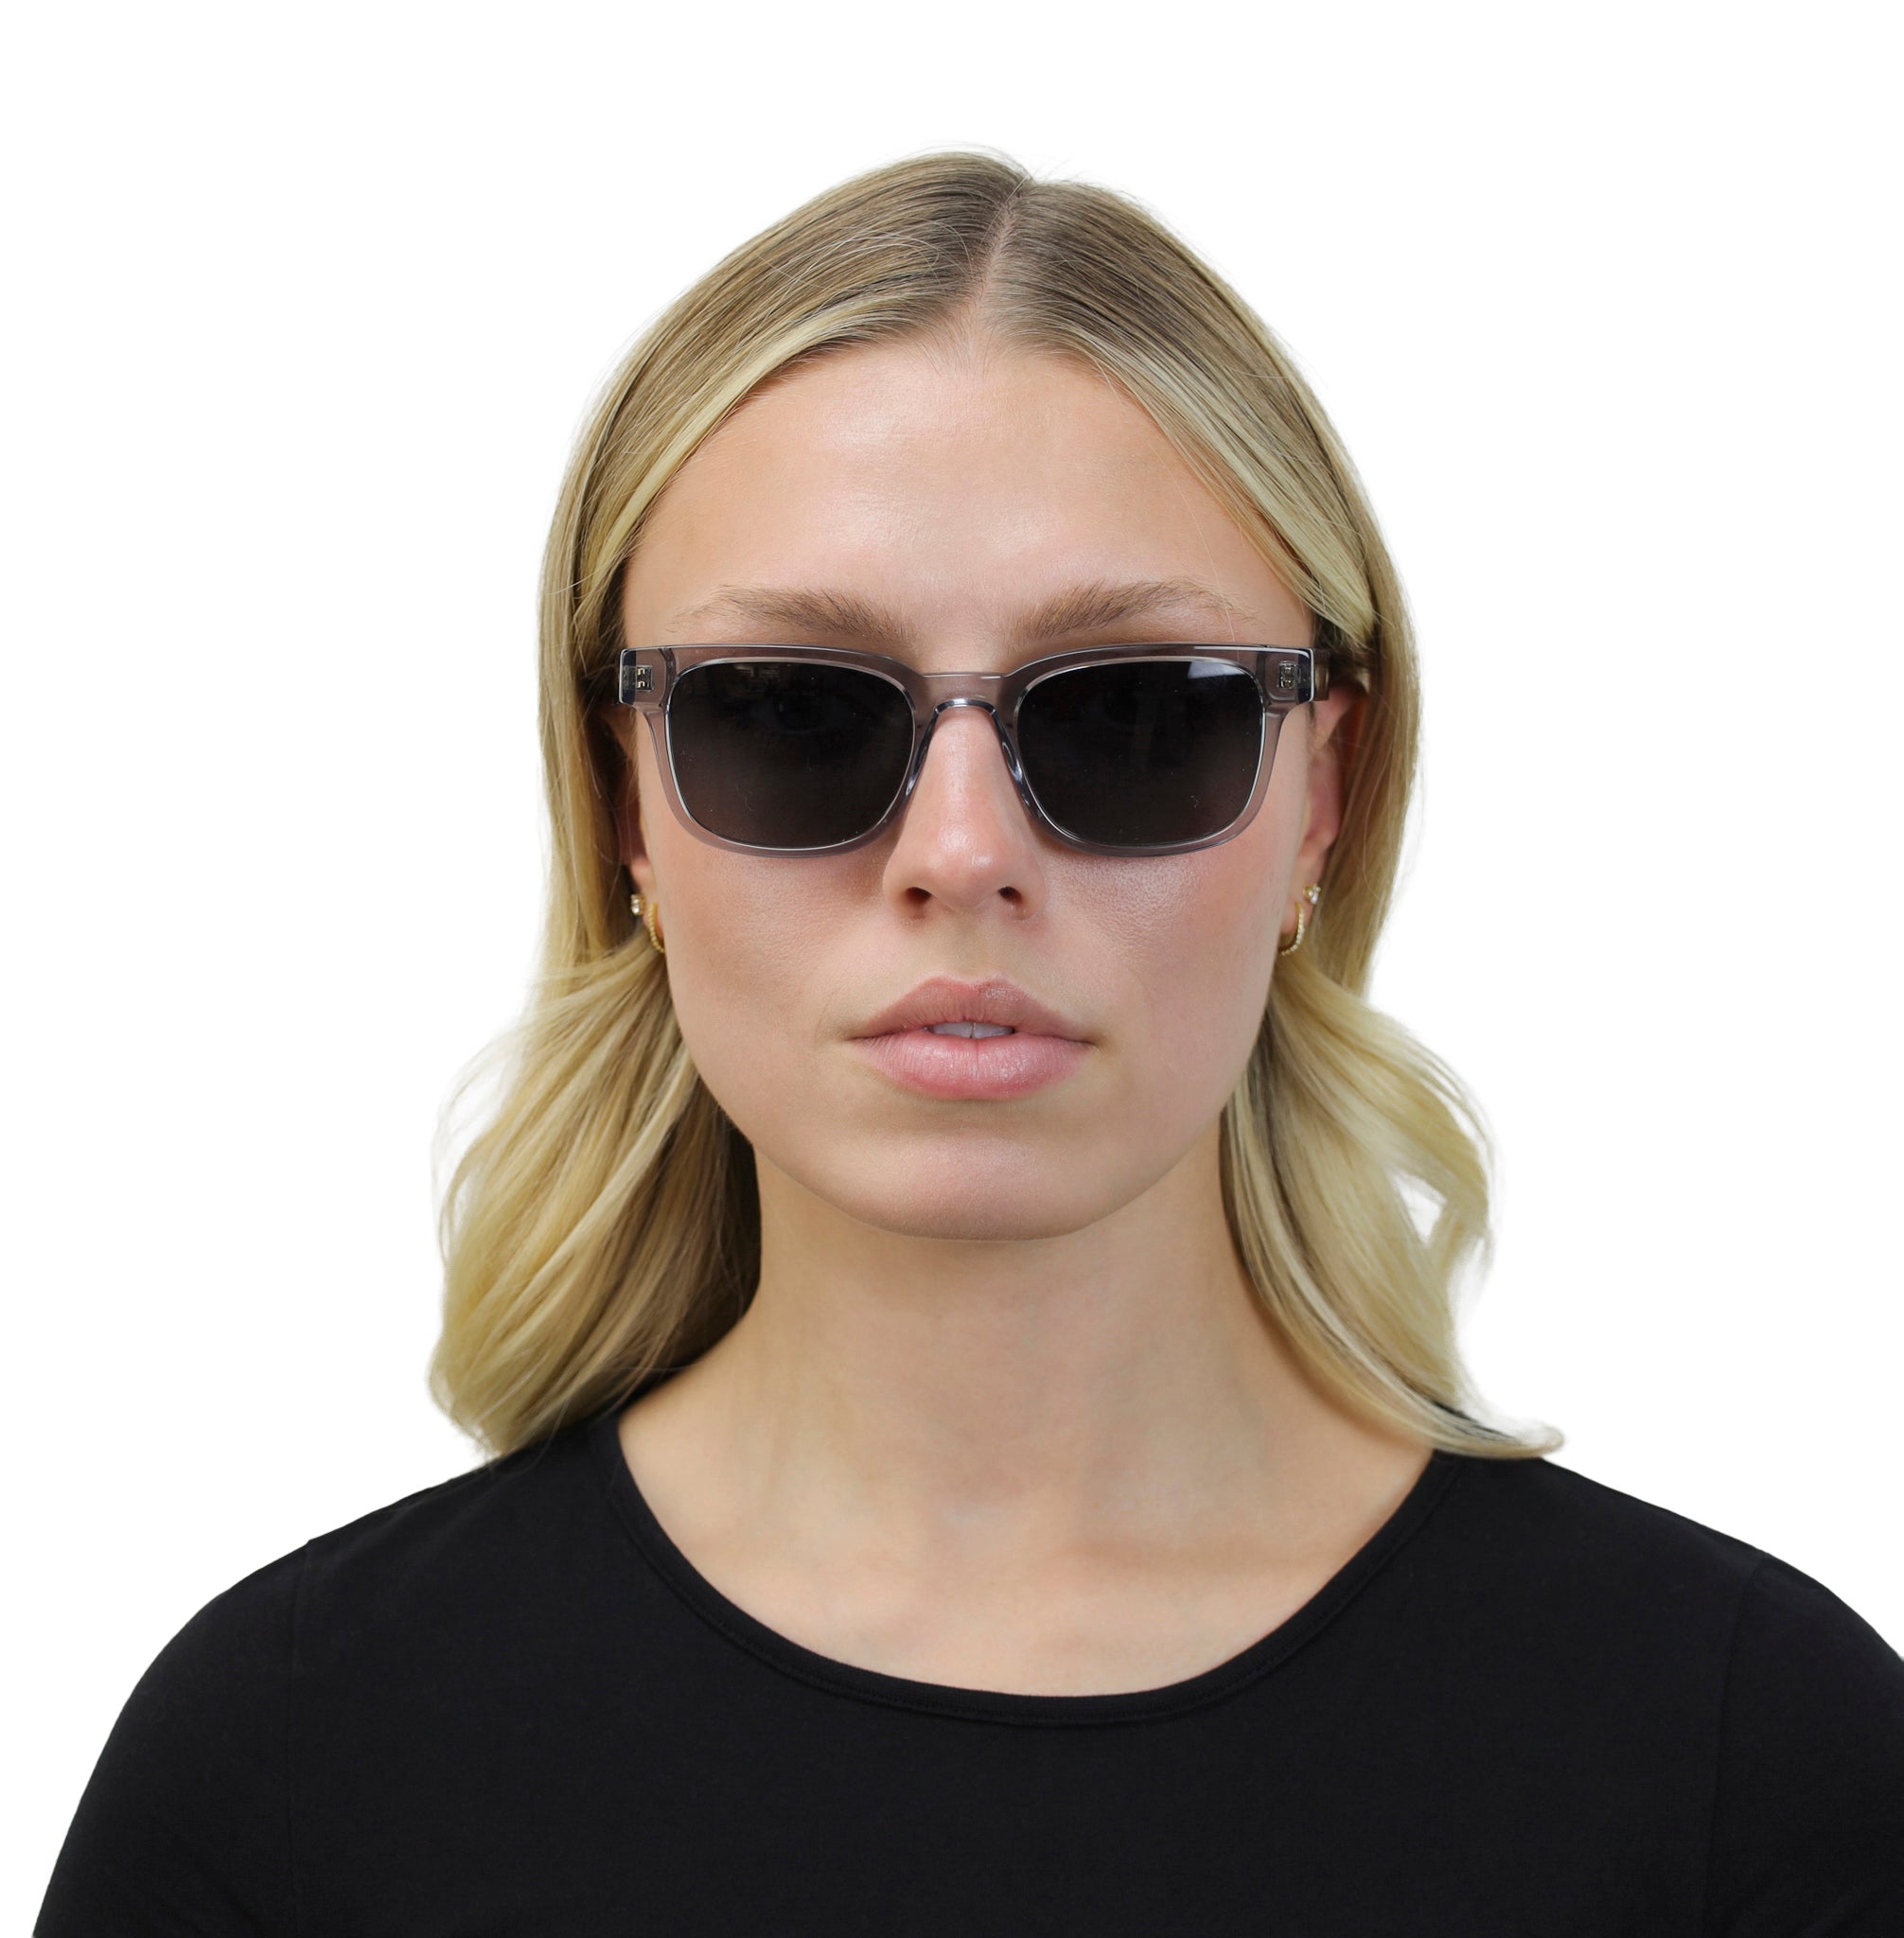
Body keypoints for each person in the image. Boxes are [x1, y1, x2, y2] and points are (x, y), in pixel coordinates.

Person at [37, 150, 1904, 1933]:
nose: (958, 852)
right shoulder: (285, 1768)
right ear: (623, 805)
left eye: (1135, 714)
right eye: (786, 712)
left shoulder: (1756, 1765)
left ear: (1322, 797)